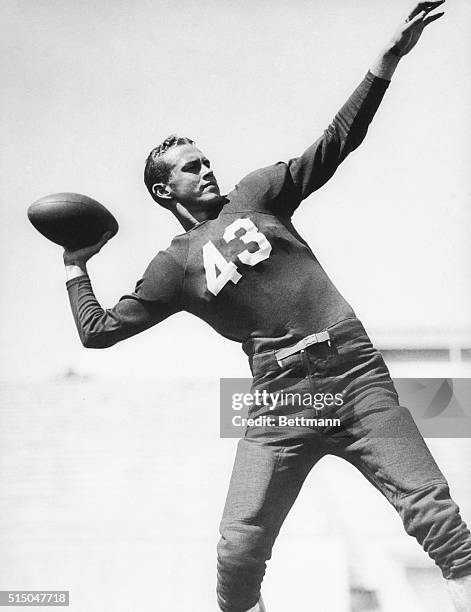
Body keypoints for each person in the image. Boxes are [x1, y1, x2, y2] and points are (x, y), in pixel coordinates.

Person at [63, 2, 471, 610]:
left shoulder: (255, 195)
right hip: (281, 397)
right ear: (161, 190)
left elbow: (336, 143)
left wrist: (384, 63)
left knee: (435, 515)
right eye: (188, 168)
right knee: (237, 551)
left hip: (353, 374)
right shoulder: (172, 267)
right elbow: (97, 333)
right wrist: (77, 263)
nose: (205, 169)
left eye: (205, 160)